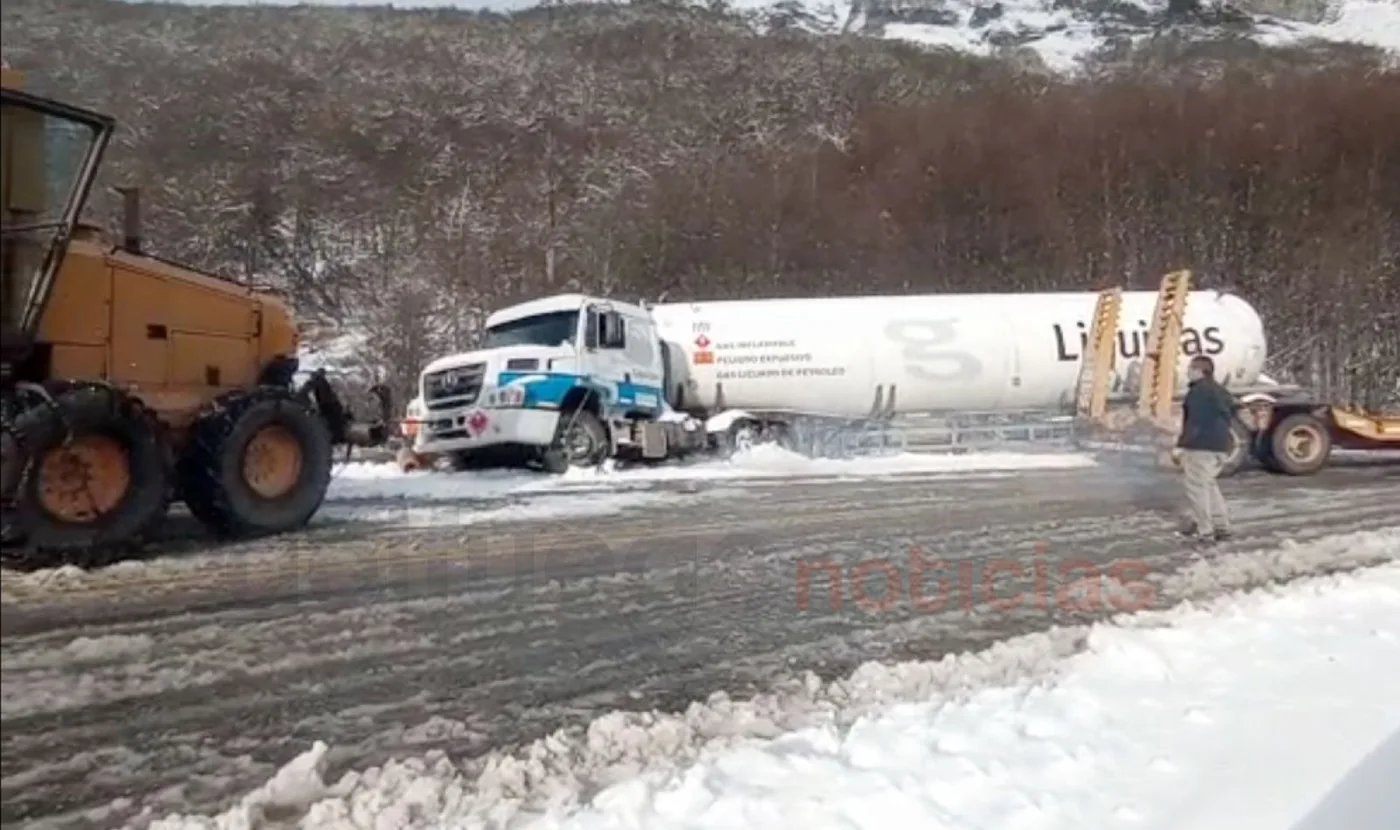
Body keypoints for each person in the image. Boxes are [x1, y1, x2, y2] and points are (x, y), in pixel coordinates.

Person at [1175, 355, 1240, 542]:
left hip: (1201, 446)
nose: (1187, 372)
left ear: (1200, 371)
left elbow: (1195, 422)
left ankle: (1205, 531)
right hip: (1221, 445)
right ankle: (1222, 526)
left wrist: (1181, 445)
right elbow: (1233, 409)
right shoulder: (1220, 390)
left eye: (1190, 368)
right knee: (1209, 485)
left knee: (1196, 488)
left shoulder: (1198, 392)